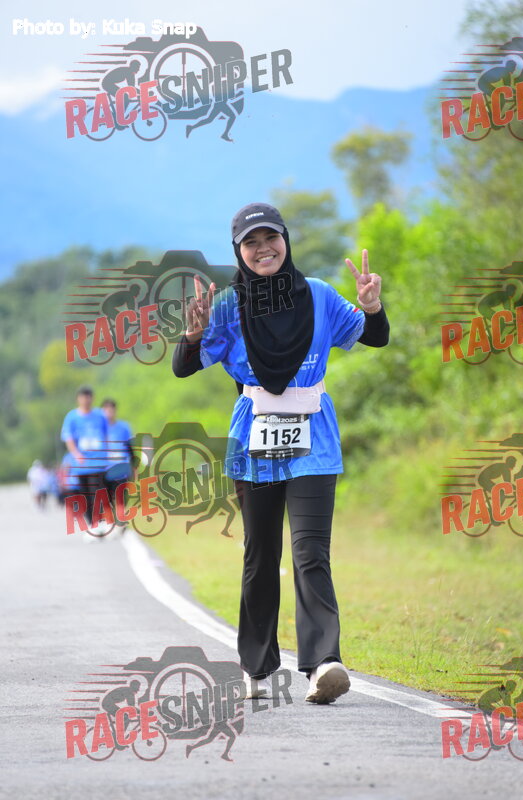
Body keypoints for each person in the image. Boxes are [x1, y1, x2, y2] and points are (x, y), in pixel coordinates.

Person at [172, 202, 389, 705]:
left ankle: (323, 663)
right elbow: (184, 367)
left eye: (271, 237)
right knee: (261, 554)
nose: (263, 248)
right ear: (239, 252)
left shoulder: (319, 295)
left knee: (311, 553)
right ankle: (256, 665)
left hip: (315, 440)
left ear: (285, 240)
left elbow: (375, 337)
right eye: (251, 242)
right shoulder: (227, 307)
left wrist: (372, 306)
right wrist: (194, 332)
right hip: (254, 442)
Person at [61, 386, 109, 533]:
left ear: (92, 398)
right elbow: (68, 438)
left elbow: (106, 434)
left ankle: (100, 521)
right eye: (83, 397)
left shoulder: (100, 415)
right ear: (78, 399)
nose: (86, 400)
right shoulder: (72, 417)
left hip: (98, 462)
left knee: (98, 492)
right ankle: (92, 524)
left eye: (88, 397)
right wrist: (76, 454)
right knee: (85, 495)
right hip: (81, 463)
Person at [101, 398, 135, 528]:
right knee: (106, 499)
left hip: (121, 469)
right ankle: (109, 523)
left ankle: (121, 524)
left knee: (120, 499)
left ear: (115, 411)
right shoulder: (98, 429)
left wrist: (133, 467)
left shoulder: (124, 427)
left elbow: (131, 448)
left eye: (111, 409)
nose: (109, 412)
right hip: (104, 469)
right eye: (106, 409)